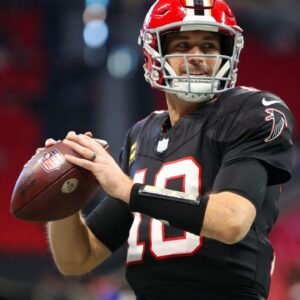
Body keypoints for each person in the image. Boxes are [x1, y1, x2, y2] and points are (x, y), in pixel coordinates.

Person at [45, 0, 294, 299]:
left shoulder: (253, 110)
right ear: (154, 52)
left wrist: (127, 189)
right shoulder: (142, 134)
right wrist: (61, 194)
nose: (198, 57)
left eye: (209, 47)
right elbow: (77, 258)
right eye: (184, 44)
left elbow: (232, 221)